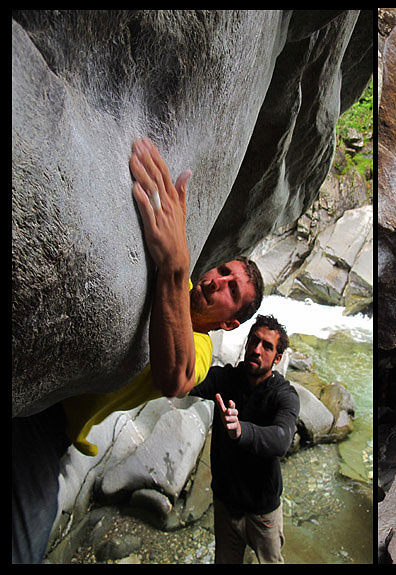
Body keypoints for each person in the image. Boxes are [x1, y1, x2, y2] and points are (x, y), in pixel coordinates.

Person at [12, 138, 263, 563]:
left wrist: (176, 265)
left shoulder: (201, 346)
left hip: (50, 424)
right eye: (222, 271)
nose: (217, 281)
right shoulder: (179, 284)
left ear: (230, 323)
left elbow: (176, 378)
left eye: (230, 289)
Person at [189, 314, 300, 564]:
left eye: (267, 346)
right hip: (226, 504)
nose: (257, 350)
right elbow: (187, 380)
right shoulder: (226, 379)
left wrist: (241, 431)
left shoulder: (284, 395)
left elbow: (282, 438)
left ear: (278, 358)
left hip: (263, 511)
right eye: (255, 341)